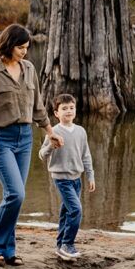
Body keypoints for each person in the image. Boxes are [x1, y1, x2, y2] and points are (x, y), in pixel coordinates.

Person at [0, 24, 61, 267]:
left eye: (27, 47)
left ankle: (7, 250)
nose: (24, 52)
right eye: (20, 47)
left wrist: (49, 132)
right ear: (8, 45)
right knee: (16, 193)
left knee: (15, 196)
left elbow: (37, 104)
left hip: (24, 138)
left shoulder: (28, 68)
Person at [39, 93, 95, 260]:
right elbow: (42, 155)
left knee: (66, 211)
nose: (69, 111)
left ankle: (60, 245)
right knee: (76, 210)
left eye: (71, 108)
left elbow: (86, 155)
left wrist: (90, 176)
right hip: (61, 178)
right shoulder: (54, 131)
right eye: (64, 109)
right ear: (56, 113)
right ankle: (68, 244)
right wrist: (51, 145)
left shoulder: (81, 131)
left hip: (77, 179)